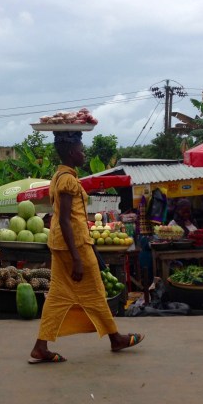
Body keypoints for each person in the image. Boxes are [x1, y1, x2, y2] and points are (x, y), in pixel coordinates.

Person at [28, 131, 144, 364]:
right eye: (81, 149)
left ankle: (41, 346)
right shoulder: (68, 181)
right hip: (75, 245)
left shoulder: (59, 176)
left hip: (62, 244)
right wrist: (78, 258)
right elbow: (64, 220)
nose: (84, 153)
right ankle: (115, 338)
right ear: (72, 152)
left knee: (58, 296)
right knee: (95, 291)